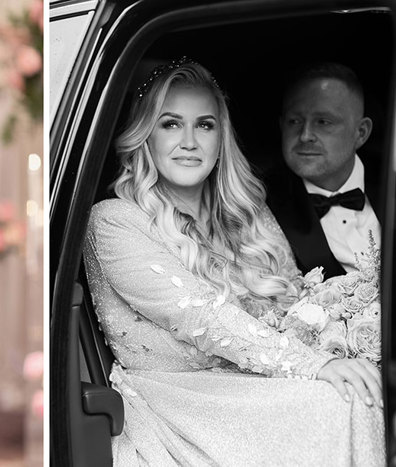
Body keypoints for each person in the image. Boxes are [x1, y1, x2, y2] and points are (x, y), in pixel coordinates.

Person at [83, 59, 384, 465]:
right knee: (340, 401)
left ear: (220, 137)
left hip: (258, 390)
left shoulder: (250, 215)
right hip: (181, 406)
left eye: (204, 125)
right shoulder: (115, 220)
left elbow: (296, 300)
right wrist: (315, 364)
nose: (189, 141)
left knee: (359, 389)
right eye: (170, 124)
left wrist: (340, 341)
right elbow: (202, 318)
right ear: (145, 136)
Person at [265, 62, 379, 279]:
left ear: (361, 133)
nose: (306, 135)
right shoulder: (261, 202)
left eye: (323, 122)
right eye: (294, 121)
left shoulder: (390, 178)